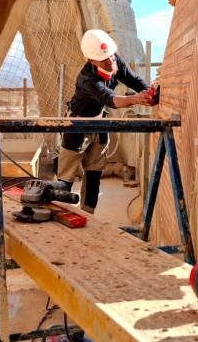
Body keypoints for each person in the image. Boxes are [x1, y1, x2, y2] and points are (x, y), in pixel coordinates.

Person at [57, 29, 156, 213]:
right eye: (103, 59)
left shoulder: (114, 61)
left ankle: (88, 214)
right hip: (77, 126)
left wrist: (149, 93)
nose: (110, 60)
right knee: (65, 177)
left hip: (100, 123)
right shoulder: (87, 78)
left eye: (110, 55)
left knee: (94, 174)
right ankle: (61, 213)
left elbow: (133, 80)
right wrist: (135, 99)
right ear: (91, 61)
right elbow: (110, 99)